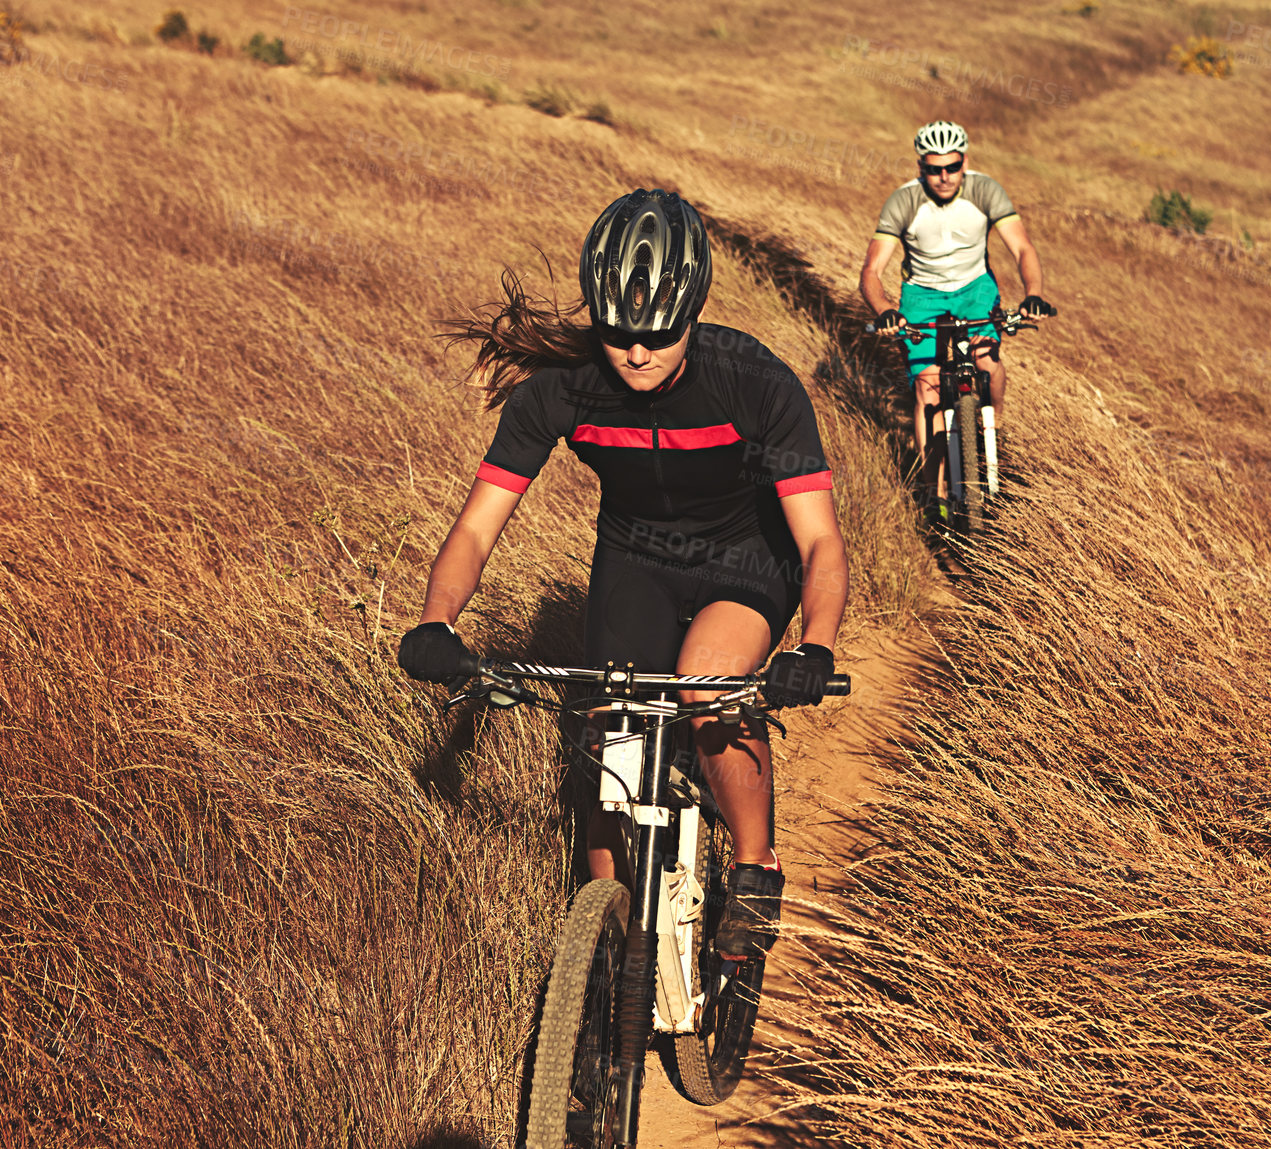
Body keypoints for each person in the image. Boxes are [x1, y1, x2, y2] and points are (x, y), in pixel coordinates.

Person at [396, 189, 849, 962]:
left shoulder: (756, 382)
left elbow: (820, 544)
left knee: (707, 686)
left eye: (659, 335)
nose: (637, 353)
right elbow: (476, 526)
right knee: (608, 733)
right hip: (634, 560)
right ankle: (607, 959)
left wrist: (816, 644)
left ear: (693, 312)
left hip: (744, 561)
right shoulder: (563, 391)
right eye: (618, 334)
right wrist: (437, 621)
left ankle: (753, 865)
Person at [858, 120, 1053, 510]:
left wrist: (1033, 295)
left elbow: (1022, 249)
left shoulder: (985, 190)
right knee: (927, 386)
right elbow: (871, 271)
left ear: (965, 162)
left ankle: (991, 421)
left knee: (986, 357)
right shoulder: (904, 201)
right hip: (922, 296)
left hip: (974, 290)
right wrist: (884, 310)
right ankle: (936, 495)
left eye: (952, 167)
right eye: (934, 168)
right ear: (921, 166)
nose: (944, 177)